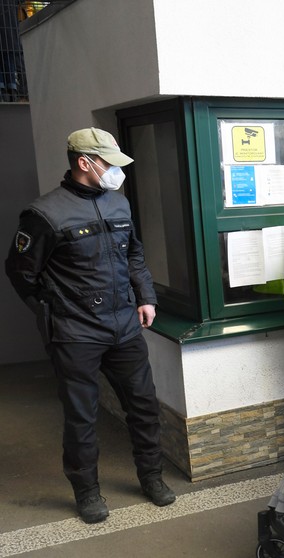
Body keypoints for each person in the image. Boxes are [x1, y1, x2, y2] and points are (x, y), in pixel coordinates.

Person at [5, 127, 175, 523]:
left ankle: (151, 477)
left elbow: (134, 255)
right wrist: (51, 312)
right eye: (109, 163)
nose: (116, 171)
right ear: (85, 163)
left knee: (145, 407)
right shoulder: (44, 214)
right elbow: (20, 273)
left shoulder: (119, 205)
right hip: (75, 333)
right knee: (82, 418)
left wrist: (146, 297)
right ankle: (87, 492)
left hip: (125, 327)